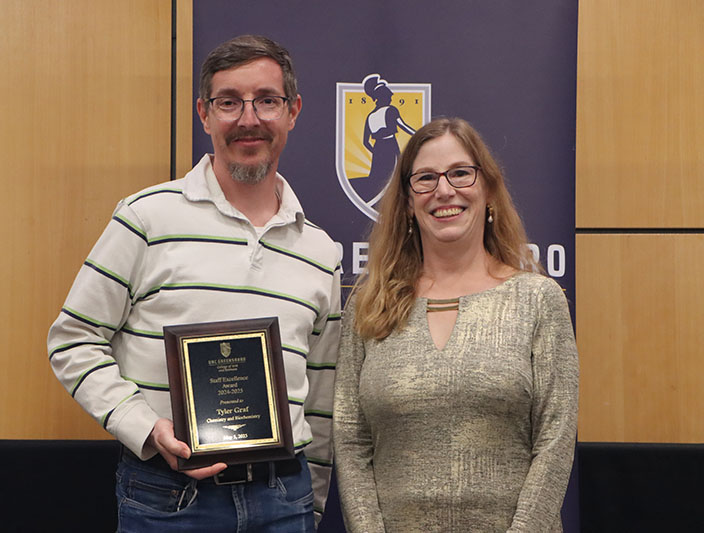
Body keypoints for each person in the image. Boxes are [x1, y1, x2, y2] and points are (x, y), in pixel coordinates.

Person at [47, 35, 341, 532]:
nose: (249, 119)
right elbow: (72, 340)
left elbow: (321, 398)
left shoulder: (321, 252)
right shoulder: (145, 218)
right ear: (204, 114)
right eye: (229, 102)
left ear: (293, 112)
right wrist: (145, 427)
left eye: (267, 100)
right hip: (167, 497)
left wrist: (308, 507)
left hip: (283, 500)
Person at [332, 117, 578, 532]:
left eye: (460, 173)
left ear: (488, 189)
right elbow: (350, 440)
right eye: (425, 179)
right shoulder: (369, 305)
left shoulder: (537, 299)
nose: (444, 190)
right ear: (408, 202)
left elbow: (556, 438)